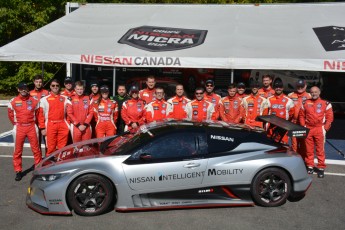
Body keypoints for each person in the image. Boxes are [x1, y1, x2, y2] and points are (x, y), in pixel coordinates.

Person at [8, 82, 42, 181]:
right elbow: (10, 115)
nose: (23, 90)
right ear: (18, 90)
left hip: (32, 126)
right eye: (21, 88)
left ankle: (38, 168)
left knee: (36, 149)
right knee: (17, 151)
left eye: (25, 88)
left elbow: (38, 113)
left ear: (28, 89)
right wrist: (16, 124)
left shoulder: (34, 100)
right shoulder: (13, 101)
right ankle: (18, 171)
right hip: (19, 127)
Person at [299, 86, 333, 178]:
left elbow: (330, 118)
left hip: (319, 129)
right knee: (309, 149)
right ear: (310, 93)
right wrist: (303, 126)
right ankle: (310, 166)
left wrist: (325, 128)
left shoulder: (326, 103)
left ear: (319, 92)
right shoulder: (305, 102)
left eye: (316, 92)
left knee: (320, 150)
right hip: (308, 128)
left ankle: (321, 168)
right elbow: (301, 116)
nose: (314, 94)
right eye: (312, 92)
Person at [38, 79, 71, 156]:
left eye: (57, 85)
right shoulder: (44, 99)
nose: (55, 87)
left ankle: (60, 165)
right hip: (50, 124)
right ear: (50, 86)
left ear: (59, 87)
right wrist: (42, 128)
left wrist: (68, 124)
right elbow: (40, 115)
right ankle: (49, 165)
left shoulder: (65, 98)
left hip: (62, 124)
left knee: (62, 148)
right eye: (53, 85)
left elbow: (70, 112)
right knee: (50, 147)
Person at [288, 79, 311, 154]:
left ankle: (303, 160)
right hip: (293, 124)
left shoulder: (309, 96)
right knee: (294, 144)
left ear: (305, 86)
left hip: (304, 124)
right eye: (298, 86)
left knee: (304, 143)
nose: (300, 88)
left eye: (302, 86)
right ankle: (295, 160)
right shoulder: (290, 95)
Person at [29, 74, 49, 154]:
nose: (38, 83)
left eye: (40, 82)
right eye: (37, 82)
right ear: (34, 82)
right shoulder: (30, 93)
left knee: (47, 141)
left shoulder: (47, 92)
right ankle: (39, 161)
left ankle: (48, 159)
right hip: (34, 121)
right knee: (36, 143)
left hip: (45, 120)